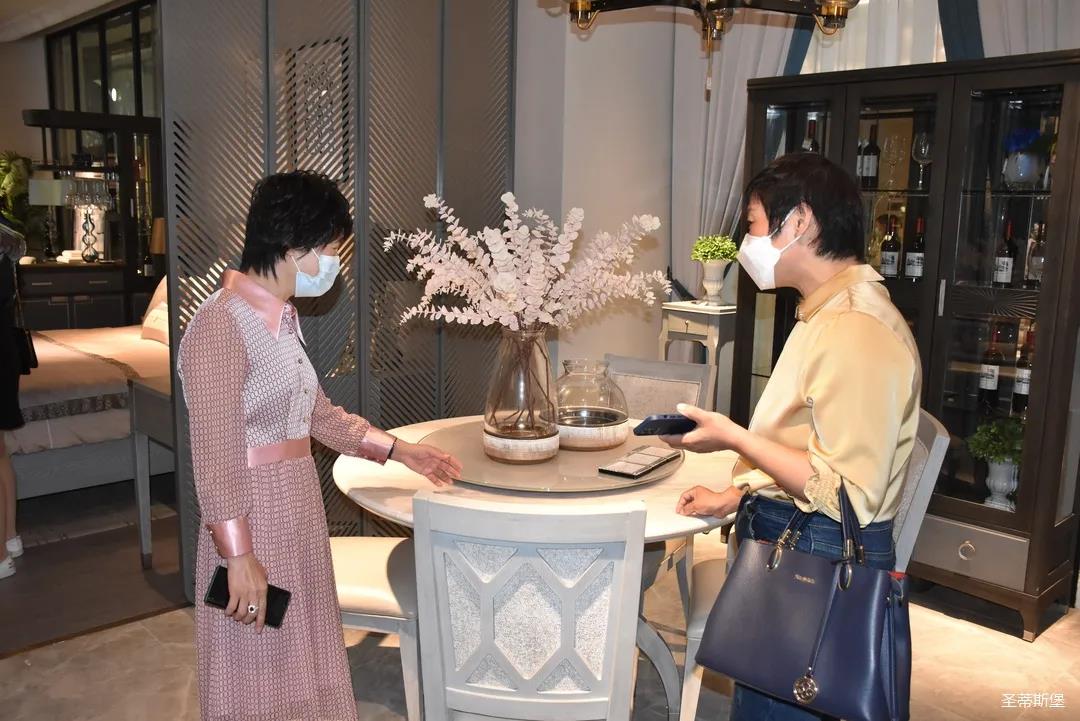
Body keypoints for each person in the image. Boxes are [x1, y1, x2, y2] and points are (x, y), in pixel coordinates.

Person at [178, 171, 463, 721]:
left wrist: (401, 451)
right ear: (294, 247)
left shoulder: (281, 320)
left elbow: (317, 416)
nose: (335, 263)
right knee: (257, 664)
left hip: (297, 509)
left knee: (300, 656)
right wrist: (237, 555)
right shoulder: (220, 325)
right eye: (331, 249)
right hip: (252, 517)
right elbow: (214, 456)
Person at [663, 152, 920, 721]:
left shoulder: (856, 327)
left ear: (799, 221)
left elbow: (847, 492)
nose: (746, 244)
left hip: (815, 558)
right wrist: (738, 494)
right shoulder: (824, 314)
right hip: (794, 538)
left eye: (753, 225)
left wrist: (734, 438)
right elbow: (811, 444)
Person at [0, 219, 26, 581]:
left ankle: (2, 553)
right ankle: (9, 538)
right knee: (0, 451)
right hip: (4, 351)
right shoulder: (7, 242)